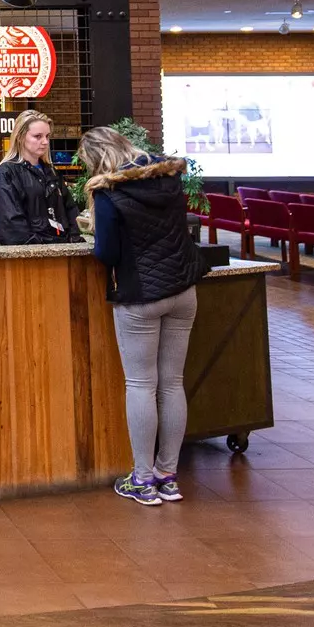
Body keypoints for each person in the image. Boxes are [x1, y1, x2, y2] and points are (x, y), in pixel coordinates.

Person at [78, 125, 208, 508]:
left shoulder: (108, 192)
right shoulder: (167, 177)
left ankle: (142, 479)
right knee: (172, 384)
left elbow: (107, 253)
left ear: (98, 159)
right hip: (184, 290)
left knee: (140, 385)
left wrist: (90, 229)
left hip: (141, 296)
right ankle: (169, 476)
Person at [0, 109, 78, 244]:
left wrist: (73, 238)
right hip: (31, 256)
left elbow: (70, 210)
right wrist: (39, 246)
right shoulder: (7, 172)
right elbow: (11, 225)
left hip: (61, 249)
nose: (45, 142)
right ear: (20, 137)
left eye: (47, 136)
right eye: (38, 136)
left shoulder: (51, 172)